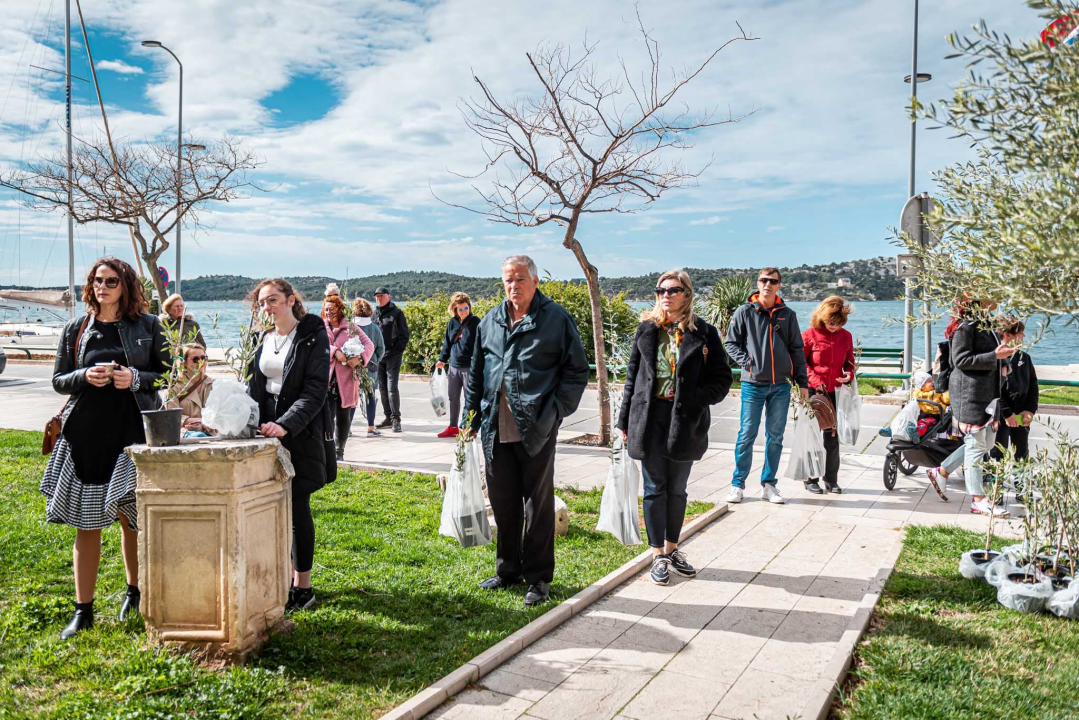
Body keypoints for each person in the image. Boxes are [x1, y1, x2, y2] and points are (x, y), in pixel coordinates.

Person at [40, 257, 169, 639]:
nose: (103, 286)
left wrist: (134, 379)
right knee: (87, 523)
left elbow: (168, 372)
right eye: (97, 280)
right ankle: (83, 610)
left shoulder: (148, 325)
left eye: (112, 281)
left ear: (126, 285)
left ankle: (135, 592)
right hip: (86, 435)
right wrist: (84, 375)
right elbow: (59, 380)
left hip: (132, 434)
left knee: (132, 520)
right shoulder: (77, 328)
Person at [463, 255, 589, 607]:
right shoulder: (490, 321)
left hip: (536, 428)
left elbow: (577, 372)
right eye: (507, 280)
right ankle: (508, 570)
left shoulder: (556, 319)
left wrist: (554, 412)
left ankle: (538, 578)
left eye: (520, 279)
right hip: (494, 428)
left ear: (535, 281)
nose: (513, 286)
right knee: (503, 504)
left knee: (538, 505)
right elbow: (476, 374)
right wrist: (470, 418)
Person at [618, 270, 733, 586]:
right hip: (649, 418)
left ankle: (672, 549)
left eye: (673, 290)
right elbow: (632, 378)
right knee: (655, 488)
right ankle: (657, 556)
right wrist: (624, 420)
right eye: (660, 290)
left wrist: (696, 398)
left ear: (687, 294)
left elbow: (723, 379)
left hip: (685, 420)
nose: (665, 295)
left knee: (678, 488)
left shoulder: (704, 333)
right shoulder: (647, 330)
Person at [246, 279, 332, 612]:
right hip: (264, 432)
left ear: (290, 300)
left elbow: (315, 391)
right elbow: (254, 385)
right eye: (262, 302)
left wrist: (285, 424)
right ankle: (276, 579)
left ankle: (303, 587)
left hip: (300, 431)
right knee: (268, 509)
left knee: (297, 507)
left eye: (273, 300)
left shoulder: (312, 336)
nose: (267, 307)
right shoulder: (261, 339)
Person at [723, 267, 809, 505]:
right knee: (746, 434)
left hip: (780, 385)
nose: (768, 284)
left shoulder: (787, 314)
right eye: (764, 280)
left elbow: (797, 350)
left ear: (779, 285)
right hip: (753, 384)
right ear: (758, 283)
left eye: (773, 281)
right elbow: (731, 344)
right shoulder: (744, 312)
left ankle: (769, 485)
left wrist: (803, 383)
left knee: (776, 437)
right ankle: (737, 485)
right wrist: (748, 364)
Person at [926, 298, 1016, 515]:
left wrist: (1004, 362)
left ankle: (942, 470)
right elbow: (961, 360)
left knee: (985, 444)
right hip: (970, 395)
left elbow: (993, 354)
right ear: (979, 301)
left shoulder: (988, 325)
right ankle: (978, 499)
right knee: (976, 446)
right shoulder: (965, 327)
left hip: (988, 393)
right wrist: (994, 356)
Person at [801, 296, 855, 495]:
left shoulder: (846, 336)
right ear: (822, 317)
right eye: (831, 323)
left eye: (839, 324)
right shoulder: (808, 335)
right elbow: (800, 363)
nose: (835, 327)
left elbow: (849, 361)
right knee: (813, 436)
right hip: (814, 393)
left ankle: (831, 480)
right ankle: (810, 478)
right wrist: (815, 381)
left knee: (832, 438)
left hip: (835, 392)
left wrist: (848, 374)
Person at [991, 317, 1038, 498]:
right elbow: (995, 390)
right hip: (1001, 417)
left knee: (1022, 453)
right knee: (998, 453)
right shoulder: (997, 358)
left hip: (1021, 415)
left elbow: (1033, 387)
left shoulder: (1024, 358)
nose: (1024, 336)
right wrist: (1007, 413)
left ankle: (1022, 489)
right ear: (1009, 334)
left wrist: (1030, 410)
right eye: (1020, 333)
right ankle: (996, 492)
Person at [323, 294, 373, 460]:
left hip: (346, 379)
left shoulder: (351, 327)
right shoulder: (321, 327)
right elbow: (315, 347)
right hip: (326, 380)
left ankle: (339, 451)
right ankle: (327, 450)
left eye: (332, 308)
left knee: (343, 415)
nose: (328, 312)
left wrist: (359, 359)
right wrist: (334, 352)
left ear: (339, 309)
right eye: (326, 309)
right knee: (326, 416)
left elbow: (369, 345)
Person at [435, 292, 481, 439]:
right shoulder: (452, 322)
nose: (463, 312)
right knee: (453, 397)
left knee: (470, 398)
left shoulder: (476, 322)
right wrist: (442, 359)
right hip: (454, 366)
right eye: (460, 309)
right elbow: (447, 343)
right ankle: (453, 426)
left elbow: (480, 343)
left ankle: (467, 427)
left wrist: (478, 359)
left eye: (465, 308)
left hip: (469, 367)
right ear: (455, 310)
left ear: (469, 306)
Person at [374, 286, 409, 433]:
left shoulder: (397, 313)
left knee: (392, 387)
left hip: (393, 356)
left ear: (389, 296)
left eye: (381, 295)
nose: (378, 298)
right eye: (376, 296)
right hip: (378, 358)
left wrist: (395, 352)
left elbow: (404, 336)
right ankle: (388, 417)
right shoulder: (374, 314)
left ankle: (396, 418)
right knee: (382, 389)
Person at [165, 343, 215, 438]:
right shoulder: (174, 388)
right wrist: (200, 422)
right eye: (195, 359)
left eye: (203, 358)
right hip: (186, 431)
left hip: (212, 430)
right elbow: (172, 417)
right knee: (198, 436)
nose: (200, 362)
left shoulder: (213, 384)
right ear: (184, 362)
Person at [352, 298, 386, 437]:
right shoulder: (374, 328)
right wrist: (375, 360)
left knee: (352, 399)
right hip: (370, 367)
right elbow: (381, 348)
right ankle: (371, 427)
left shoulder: (350, 327)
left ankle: (346, 428)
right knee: (370, 396)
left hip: (352, 367)